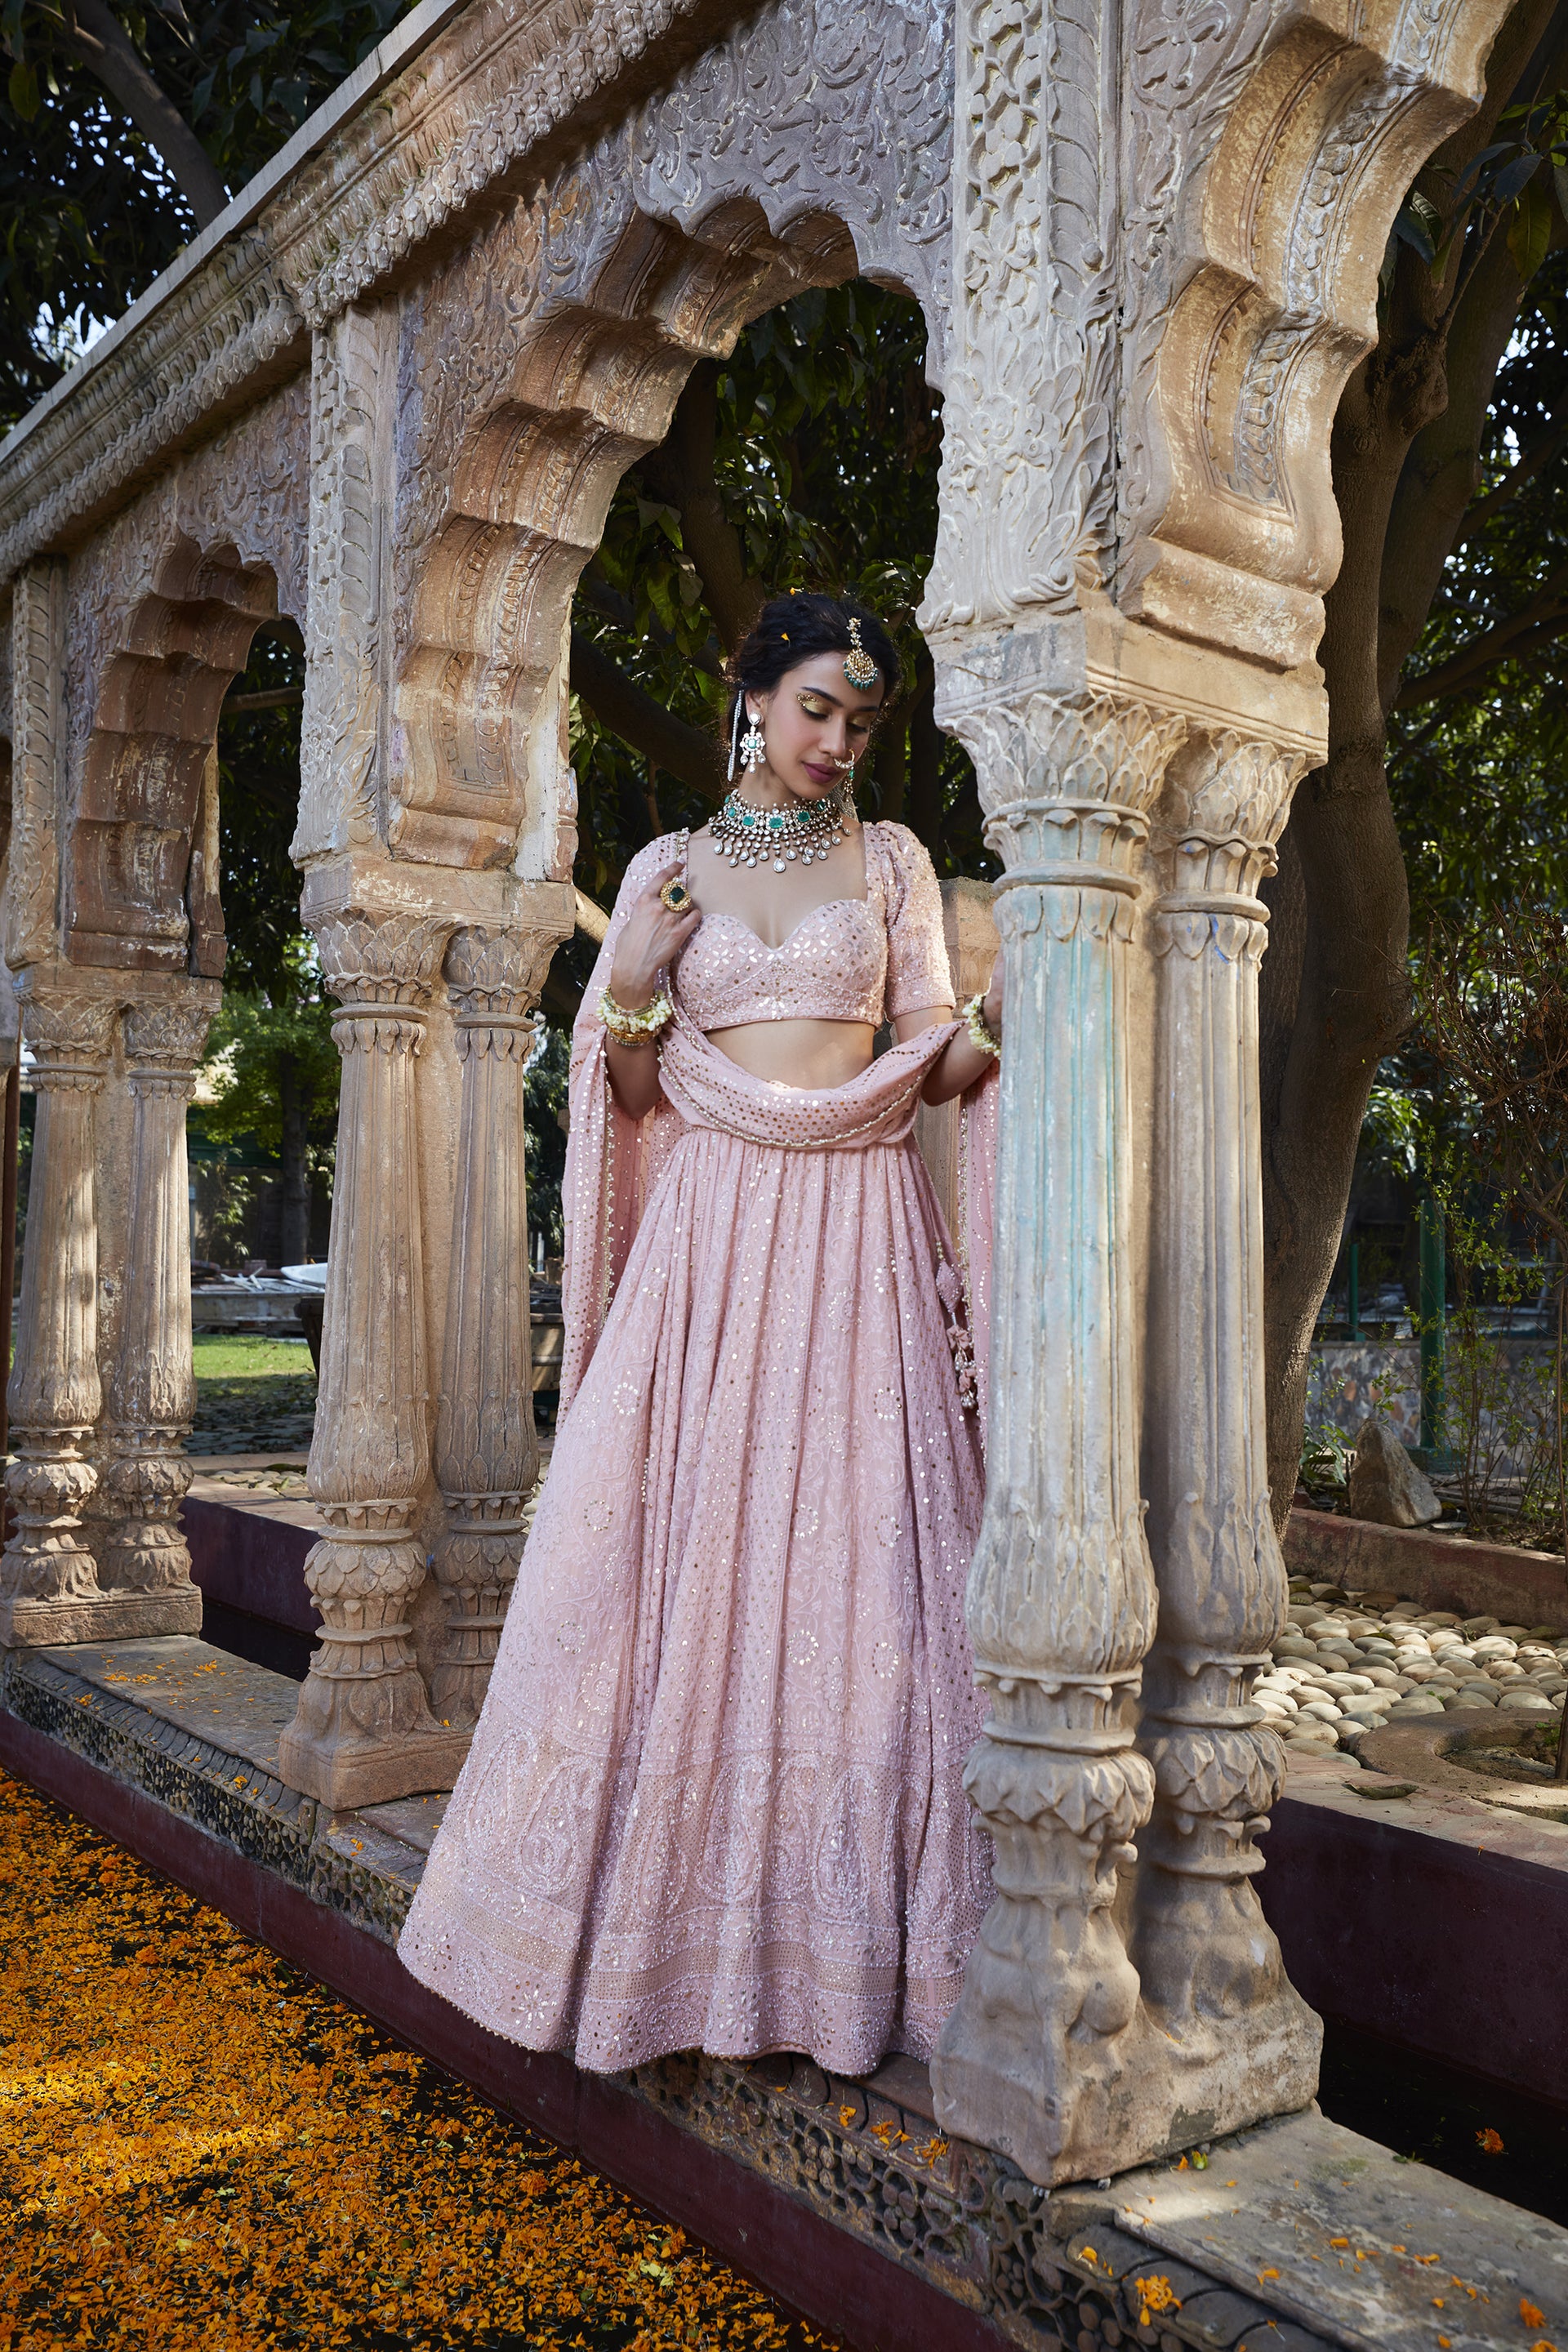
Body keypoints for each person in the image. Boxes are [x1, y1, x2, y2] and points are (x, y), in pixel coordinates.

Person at [399, 593, 1002, 2078]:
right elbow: (628, 1098)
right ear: (753, 693)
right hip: (715, 1236)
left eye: (861, 721)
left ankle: (843, 1957)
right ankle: (659, 1940)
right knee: (680, 1556)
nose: (837, 740)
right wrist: (624, 990)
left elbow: (930, 1056)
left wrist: (1014, 1020)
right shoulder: (666, 869)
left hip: (858, 1230)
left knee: (863, 1569)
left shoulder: (895, 860)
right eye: (816, 709)